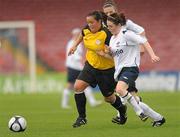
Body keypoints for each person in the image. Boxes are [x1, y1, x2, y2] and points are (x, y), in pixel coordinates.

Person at [98, 13, 165, 127]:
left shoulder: (126, 34)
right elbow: (114, 57)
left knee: (120, 89)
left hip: (130, 68)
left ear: (119, 24)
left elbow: (143, 40)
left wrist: (152, 55)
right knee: (134, 99)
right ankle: (159, 118)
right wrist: (106, 53)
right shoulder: (113, 39)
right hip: (119, 71)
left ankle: (139, 112)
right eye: (108, 26)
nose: (109, 29)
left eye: (111, 26)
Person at [68, 11, 128, 128]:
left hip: (107, 70)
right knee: (78, 87)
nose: (89, 25)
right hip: (90, 65)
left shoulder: (107, 34)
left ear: (100, 21)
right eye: (88, 22)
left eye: (92, 22)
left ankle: (122, 110)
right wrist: (74, 46)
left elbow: (115, 56)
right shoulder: (87, 29)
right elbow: (82, 34)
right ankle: (82, 118)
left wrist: (105, 54)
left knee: (109, 98)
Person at [61, 28, 102, 109]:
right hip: (74, 67)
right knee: (70, 85)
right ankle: (64, 104)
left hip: (76, 67)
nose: (80, 36)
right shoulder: (73, 43)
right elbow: (76, 57)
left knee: (84, 84)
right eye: (77, 34)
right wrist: (84, 63)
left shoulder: (74, 43)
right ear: (74, 35)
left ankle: (92, 102)